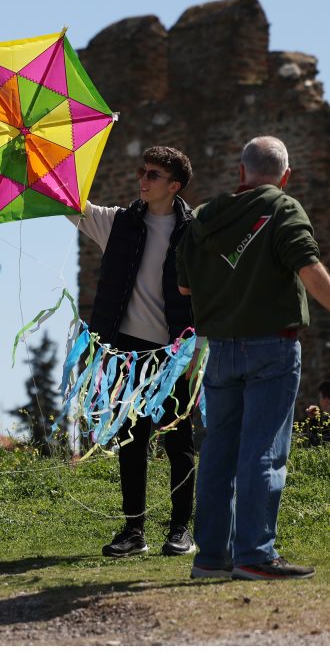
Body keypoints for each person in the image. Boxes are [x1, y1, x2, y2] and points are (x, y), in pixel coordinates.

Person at [179, 136, 330, 581]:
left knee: (218, 452)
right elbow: (309, 270)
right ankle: (254, 555)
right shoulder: (282, 207)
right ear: (286, 176)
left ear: (241, 171)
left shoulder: (203, 216)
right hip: (271, 347)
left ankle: (210, 558)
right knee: (263, 449)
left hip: (219, 350)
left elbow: (184, 287)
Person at [71, 146, 198, 559]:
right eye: (142, 171)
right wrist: (34, 161)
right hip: (127, 352)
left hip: (175, 352)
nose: (142, 179)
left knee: (179, 441)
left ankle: (181, 530)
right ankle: (133, 531)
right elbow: (70, 203)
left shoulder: (194, 231)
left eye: (153, 175)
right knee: (132, 438)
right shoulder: (119, 222)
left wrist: (199, 344)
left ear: (174, 185)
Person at [301, 381, 330, 447]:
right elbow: (320, 436)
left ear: (326, 400)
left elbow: (319, 442)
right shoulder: (327, 418)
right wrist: (314, 418)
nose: (319, 401)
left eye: (320, 398)